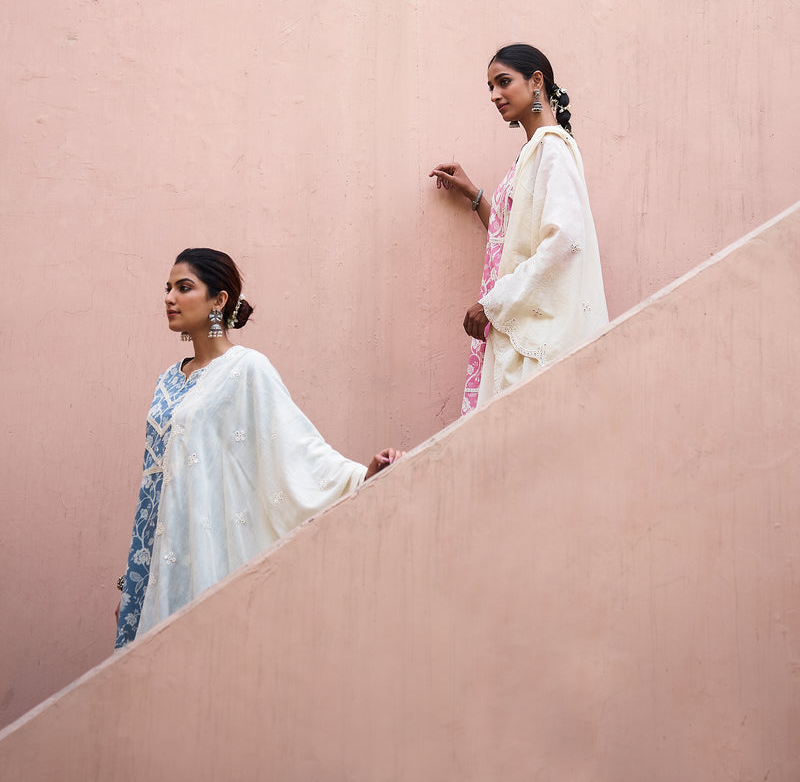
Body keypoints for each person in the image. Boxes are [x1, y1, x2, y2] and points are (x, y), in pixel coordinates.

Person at [115, 248, 401, 647]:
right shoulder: (167, 380)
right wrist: (138, 577)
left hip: (215, 557)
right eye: (167, 289)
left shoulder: (247, 368)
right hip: (168, 564)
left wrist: (360, 477)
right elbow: (153, 487)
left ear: (219, 300)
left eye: (184, 288)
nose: (169, 298)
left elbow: (294, 447)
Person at [430, 44, 608, 414]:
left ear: (536, 81)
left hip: (539, 343)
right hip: (519, 335)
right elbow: (512, 238)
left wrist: (493, 303)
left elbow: (563, 241)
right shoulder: (534, 152)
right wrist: (475, 195)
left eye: (503, 82)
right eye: (490, 87)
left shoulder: (552, 150)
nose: (495, 95)